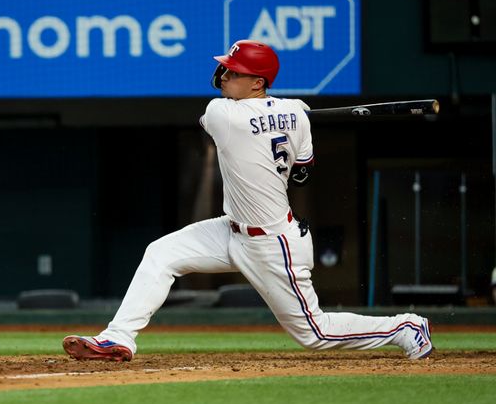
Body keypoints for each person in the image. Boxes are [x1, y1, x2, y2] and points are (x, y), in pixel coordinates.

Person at [63, 40, 433, 362]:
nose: (223, 76)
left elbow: (263, 140)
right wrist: (287, 117)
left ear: (258, 82)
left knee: (315, 335)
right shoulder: (298, 114)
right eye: (225, 69)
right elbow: (302, 172)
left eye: (233, 71)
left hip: (273, 242)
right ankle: (119, 337)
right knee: (161, 254)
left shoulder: (220, 113)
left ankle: (406, 327)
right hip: (231, 229)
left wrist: (278, 116)